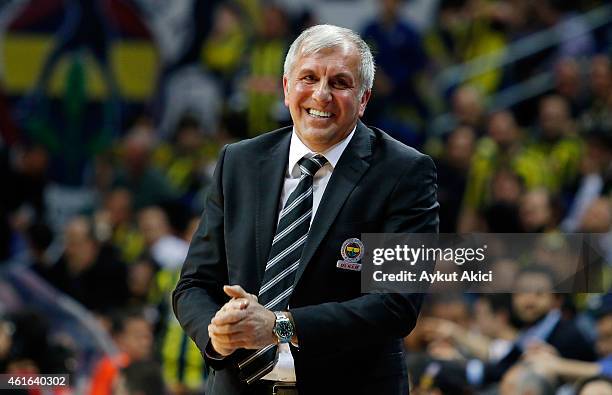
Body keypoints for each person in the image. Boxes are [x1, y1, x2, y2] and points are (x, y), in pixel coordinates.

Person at [172, 24, 439, 395]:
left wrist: (281, 325)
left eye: (340, 83)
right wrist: (218, 335)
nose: (322, 94)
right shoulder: (239, 161)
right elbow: (194, 285)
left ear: (363, 99)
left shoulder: (404, 171)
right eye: (308, 78)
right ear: (286, 88)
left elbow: (396, 304)